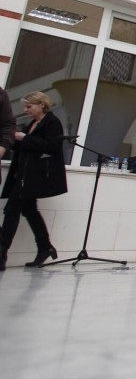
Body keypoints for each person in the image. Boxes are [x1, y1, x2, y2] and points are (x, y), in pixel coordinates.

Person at [0, 91, 67, 270]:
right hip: (23, 175)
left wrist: (25, 138)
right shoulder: (32, 123)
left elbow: (53, 147)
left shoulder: (52, 122)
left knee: (12, 210)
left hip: (34, 177)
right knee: (29, 210)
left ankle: (1, 254)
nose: (26, 110)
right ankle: (45, 247)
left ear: (41, 105)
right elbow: (27, 147)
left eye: (29, 106)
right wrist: (15, 140)